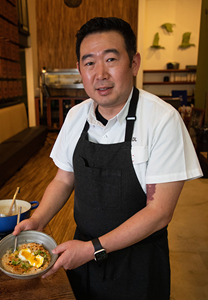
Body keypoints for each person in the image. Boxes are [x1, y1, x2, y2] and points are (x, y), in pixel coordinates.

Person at [13, 17, 202, 299]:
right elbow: (64, 179)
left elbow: (159, 212)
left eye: (111, 59)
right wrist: (38, 220)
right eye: (89, 63)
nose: (100, 73)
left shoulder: (162, 120)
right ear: (79, 69)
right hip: (81, 254)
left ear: (134, 63)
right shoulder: (76, 116)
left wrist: (93, 249)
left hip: (138, 264)